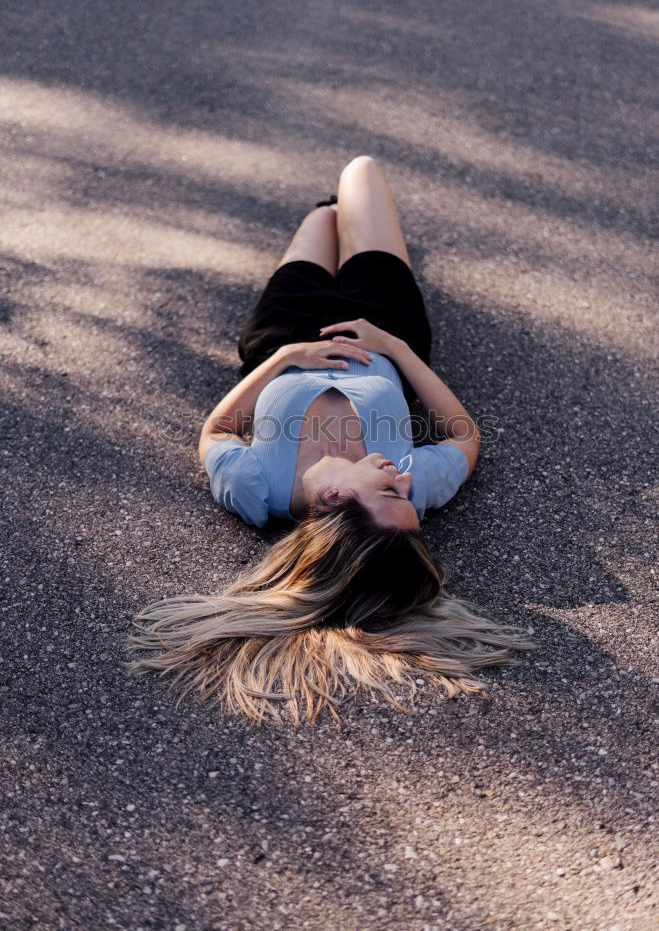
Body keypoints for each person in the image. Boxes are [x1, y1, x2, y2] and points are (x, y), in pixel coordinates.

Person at [125, 156, 533, 725]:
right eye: (405, 491)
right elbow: (465, 438)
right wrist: (398, 349)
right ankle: (364, 234)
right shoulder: (410, 497)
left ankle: (339, 222)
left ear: (336, 501)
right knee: (361, 171)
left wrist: (286, 358)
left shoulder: (258, 490)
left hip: (285, 330)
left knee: (326, 217)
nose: (405, 478)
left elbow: (216, 431)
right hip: (384, 321)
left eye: (390, 491)